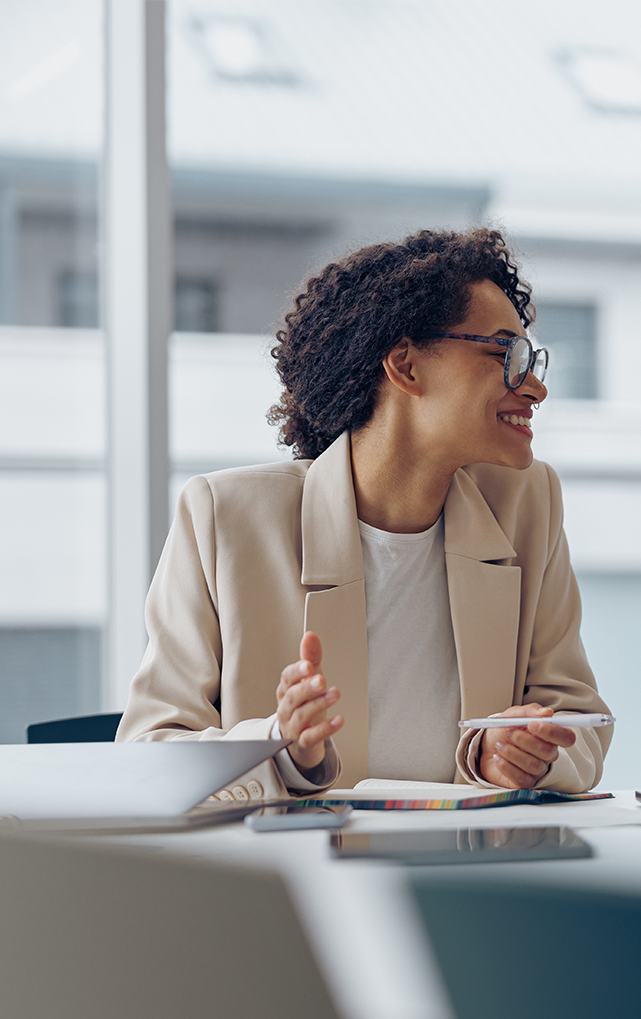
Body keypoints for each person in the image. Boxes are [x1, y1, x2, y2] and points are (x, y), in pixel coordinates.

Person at [118, 228, 611, 796]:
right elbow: (149, 751)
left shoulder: (528, 504)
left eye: (532, 360)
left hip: (468, 864)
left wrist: (520, 757)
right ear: (405, 364)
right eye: (506, 355)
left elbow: (577, 712)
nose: (534, 389)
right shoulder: (225, 517)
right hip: (291, 876)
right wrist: (281, 747)